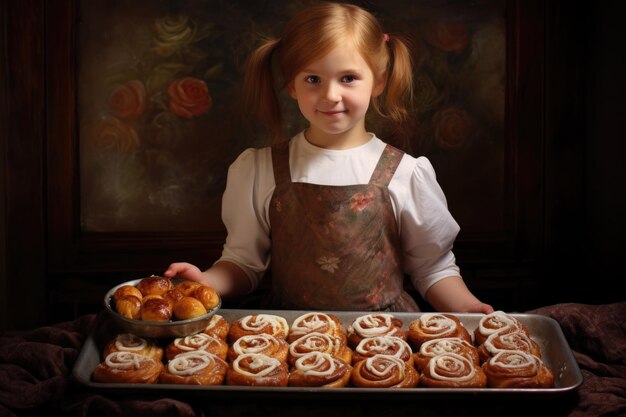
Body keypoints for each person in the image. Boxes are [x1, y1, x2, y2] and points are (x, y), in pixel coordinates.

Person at [164, 2, 493, 314]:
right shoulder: (259, 169)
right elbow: (243, 262)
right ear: (292, 85)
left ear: (378, 80)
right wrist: (207, 281)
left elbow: (432, 267)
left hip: (382, 340)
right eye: (312, 79)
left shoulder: (405, 173)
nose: (330, 95)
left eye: (348, 78)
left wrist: (468, 307)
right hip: (290, 337)